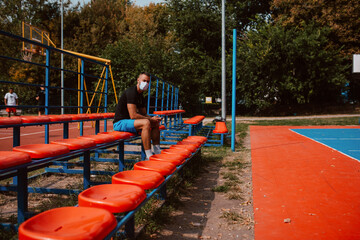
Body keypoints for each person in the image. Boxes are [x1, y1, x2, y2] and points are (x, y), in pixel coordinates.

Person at [113, 72, 162, 160]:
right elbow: (133, 115)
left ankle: (157, 151)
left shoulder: (141, 96)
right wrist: (150, 119)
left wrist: (153, 119)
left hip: (131, 122)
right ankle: (148, 155)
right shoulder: (131, 92)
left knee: (155, 123)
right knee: (146, 123)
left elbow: (144, 114)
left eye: (148, 82)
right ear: (138, 80)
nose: (146, 83)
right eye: (144, 80)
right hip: (120, 123)